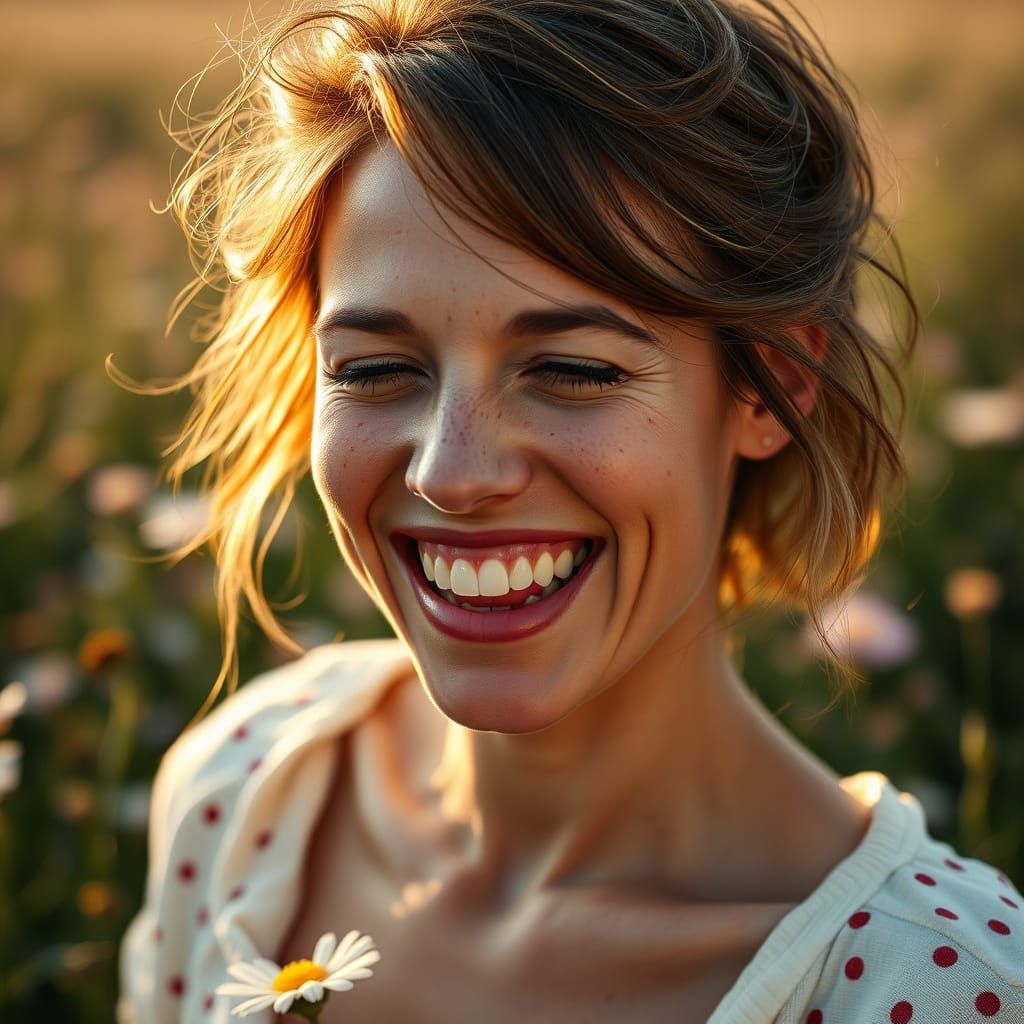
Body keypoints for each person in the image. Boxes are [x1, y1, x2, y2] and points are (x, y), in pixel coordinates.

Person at [117, 1, 1024, 1021]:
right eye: (374, 368)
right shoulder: (243, 795)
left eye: (573, 369)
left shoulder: (939, 989)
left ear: (770, 385)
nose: (452, 473)